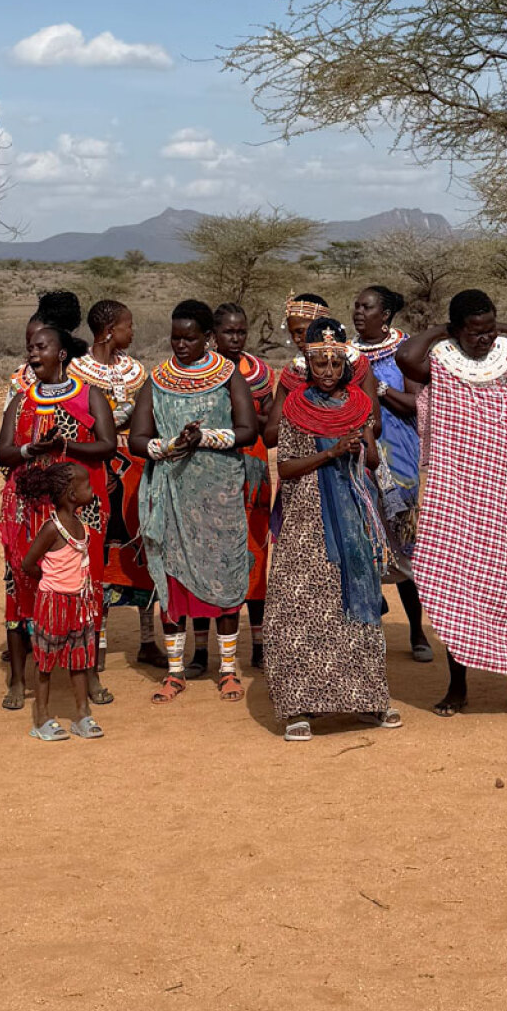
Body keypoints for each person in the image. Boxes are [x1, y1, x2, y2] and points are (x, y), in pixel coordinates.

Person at [396, 291, 507, 716]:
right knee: (459, 587)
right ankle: (457, 686)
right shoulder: (440, 360)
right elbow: (406, 356)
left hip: (506, 496)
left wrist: (501, 328)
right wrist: (444, 331)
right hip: (454, 495)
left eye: (489, 330)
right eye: (475, 332)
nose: (484, 339)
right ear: (455, 330)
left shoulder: (506, 357)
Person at [264, 316, 396, 740]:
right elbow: (285, 467)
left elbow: (374, 462)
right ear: (307, 362)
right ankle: (299, 708)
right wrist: (331, 452)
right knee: (300, 607)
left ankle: (367, 700)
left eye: (333, 364)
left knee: (356, 603)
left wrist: (360, 447)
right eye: (318, 363)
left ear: (345, 365)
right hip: (306, 519)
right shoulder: (295, 408)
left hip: (352, 515)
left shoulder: (359, 405)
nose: (326, 372)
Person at [129, 300, 260, 699]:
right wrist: (171, 445)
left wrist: (203, 438)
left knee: (225, 579)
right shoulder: (156, 379)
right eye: (175, 337)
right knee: (171, 582)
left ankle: (227, 669)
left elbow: (248, 431)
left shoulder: (227, 375)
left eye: (189, 338)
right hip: (171, 494)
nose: (181, 345)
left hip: (219, 494)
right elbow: (137, 439)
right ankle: (174, 671)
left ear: (208, 338)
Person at [0, 292, 117, 712]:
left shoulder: (90, 396)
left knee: (85, 587)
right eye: (30, 348)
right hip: (29, 512)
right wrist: (32, 451)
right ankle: (18, 677)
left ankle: (91, 673)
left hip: (81, 511)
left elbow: (107, 446)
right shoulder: (22, 400)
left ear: (61, 353)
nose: (33, 353)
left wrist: (68, 444)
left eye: (41, 347)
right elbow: (2, 454)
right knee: (23, 585)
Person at [350, 282, 432, 661]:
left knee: (407, 543)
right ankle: (371, 633)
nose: (358, 313)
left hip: (400, 457)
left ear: (385, 316)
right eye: (356, 307)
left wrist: (377, 388)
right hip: (357, 458)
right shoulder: (345, 354)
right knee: (367, 545)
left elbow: (417, 404)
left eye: (366, 308)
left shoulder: (407, 351)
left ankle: (418, 632)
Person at [76, 297, 155, 670]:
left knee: (140, 548)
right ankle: (99, 639)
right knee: (101, 550)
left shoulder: (137, 372)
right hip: (95, 470)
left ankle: (147, 639)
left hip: (136, 472)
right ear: (110, 331)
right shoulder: (76, 371)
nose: (132, 331)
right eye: (128, 325)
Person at [13, 456, 106, 742]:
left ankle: (82, 714)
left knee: (80, 659)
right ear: (71, 494)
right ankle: (41, 717)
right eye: (87, 485)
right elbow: (28, 562)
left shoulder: (80, 525)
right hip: (53, 604)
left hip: (79, 603)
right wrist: (49, 583)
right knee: (45, 661)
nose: (93, 490)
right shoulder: (52, 528)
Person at [213, 303, 273, 669]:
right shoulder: (203, 371)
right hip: (215, 469)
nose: (235, 338)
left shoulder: (261, 372)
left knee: (256, 553)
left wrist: (245, 418)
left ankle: (260, 644)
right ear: (214, 335)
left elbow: (271, 421)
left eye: (241, 332)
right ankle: (209, 648)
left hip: (255, 465)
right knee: (216, 555)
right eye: (228, 332)